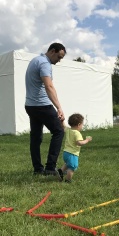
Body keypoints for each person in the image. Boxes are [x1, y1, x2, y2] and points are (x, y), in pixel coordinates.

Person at [25, 42, 66, 176]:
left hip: (30, 105)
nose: (59, 61)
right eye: (59, 57)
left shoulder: (35, 60)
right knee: (59, 131)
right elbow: (49, 86)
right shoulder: (44, 63)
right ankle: (50, 168)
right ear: (52, 51)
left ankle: (38, 169)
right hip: (41, 105)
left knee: (36, 137)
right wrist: (59, 107)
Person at [58, 113, 92, 183]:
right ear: (79, 124)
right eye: (82, 124)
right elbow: (79, 143)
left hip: (65, 153)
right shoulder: (77, 133)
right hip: (72, 153)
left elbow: (63, 126)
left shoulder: (68, 130)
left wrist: (62, 121)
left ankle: (61, 171)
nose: (82, 126)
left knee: (67, 163)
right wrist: (87, 140)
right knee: (72, 167)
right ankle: (68, 180)